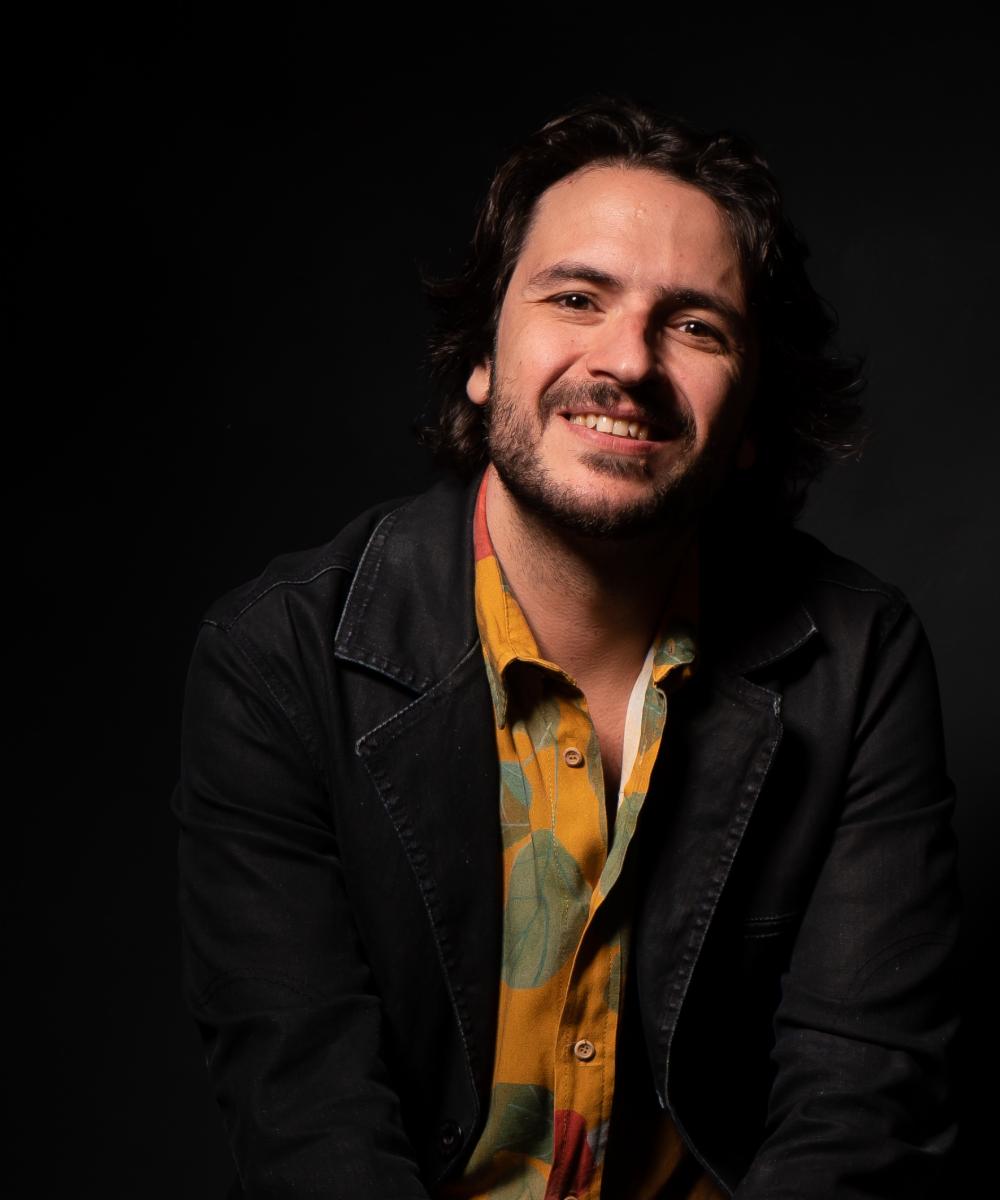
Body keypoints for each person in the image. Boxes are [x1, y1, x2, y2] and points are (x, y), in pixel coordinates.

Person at [176, 97, 960, 1199]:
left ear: (750, 421)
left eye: (696, 326)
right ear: (481, 356)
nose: (627, 361)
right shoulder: (278, 662)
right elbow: (312, 1130)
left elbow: (859, 1112)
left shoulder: (859, 659)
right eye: (576, 298)